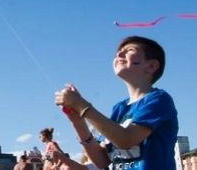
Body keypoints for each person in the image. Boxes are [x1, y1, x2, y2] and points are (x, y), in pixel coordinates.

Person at [54, 36, 178, 170]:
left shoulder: (158, 99)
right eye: (118, 52)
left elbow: (126, 139)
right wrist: (78, 121)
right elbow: (103, 161)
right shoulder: (119, 108)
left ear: (151, 66)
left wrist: (82, 105)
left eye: (129, 50)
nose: (119, 54)